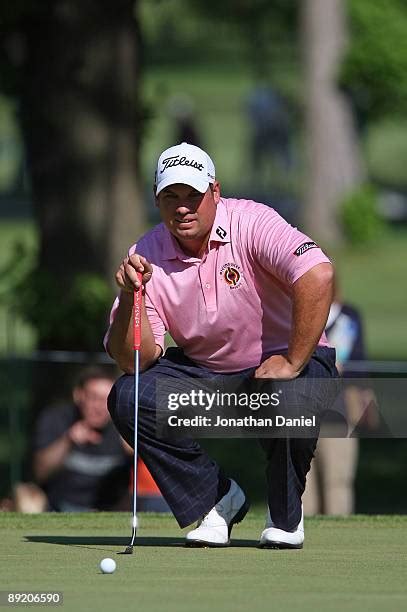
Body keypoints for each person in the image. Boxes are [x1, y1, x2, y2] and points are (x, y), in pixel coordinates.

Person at [105, 142, 338, 548]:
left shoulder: (252, 222)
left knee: (291, 394)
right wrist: (130, 297)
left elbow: (317, 274)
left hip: (281, 367)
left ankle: (285, 516)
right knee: (130, 397)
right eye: (171, 197)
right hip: (209, 377)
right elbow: (134, 360)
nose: (182, 208)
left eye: (193, 195)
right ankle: (216, 500)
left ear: (215, 191)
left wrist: (292, 360)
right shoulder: (145, 253)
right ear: (156, 199)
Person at [303, 285, 376, 515]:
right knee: (302, 485)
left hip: (339, 411)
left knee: (338, 481)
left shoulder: (348, 317)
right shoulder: (294, 311)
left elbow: (358, 366)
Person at [32, 367, 132, 512]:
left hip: (110, 512)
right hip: (59, 509)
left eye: (107, 399)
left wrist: (136, 449)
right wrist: (68, 440)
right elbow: (40, 472)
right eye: (94, 398)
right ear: (78, 395)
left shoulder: (124, 424)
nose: (99, 407)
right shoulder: (56, 419)